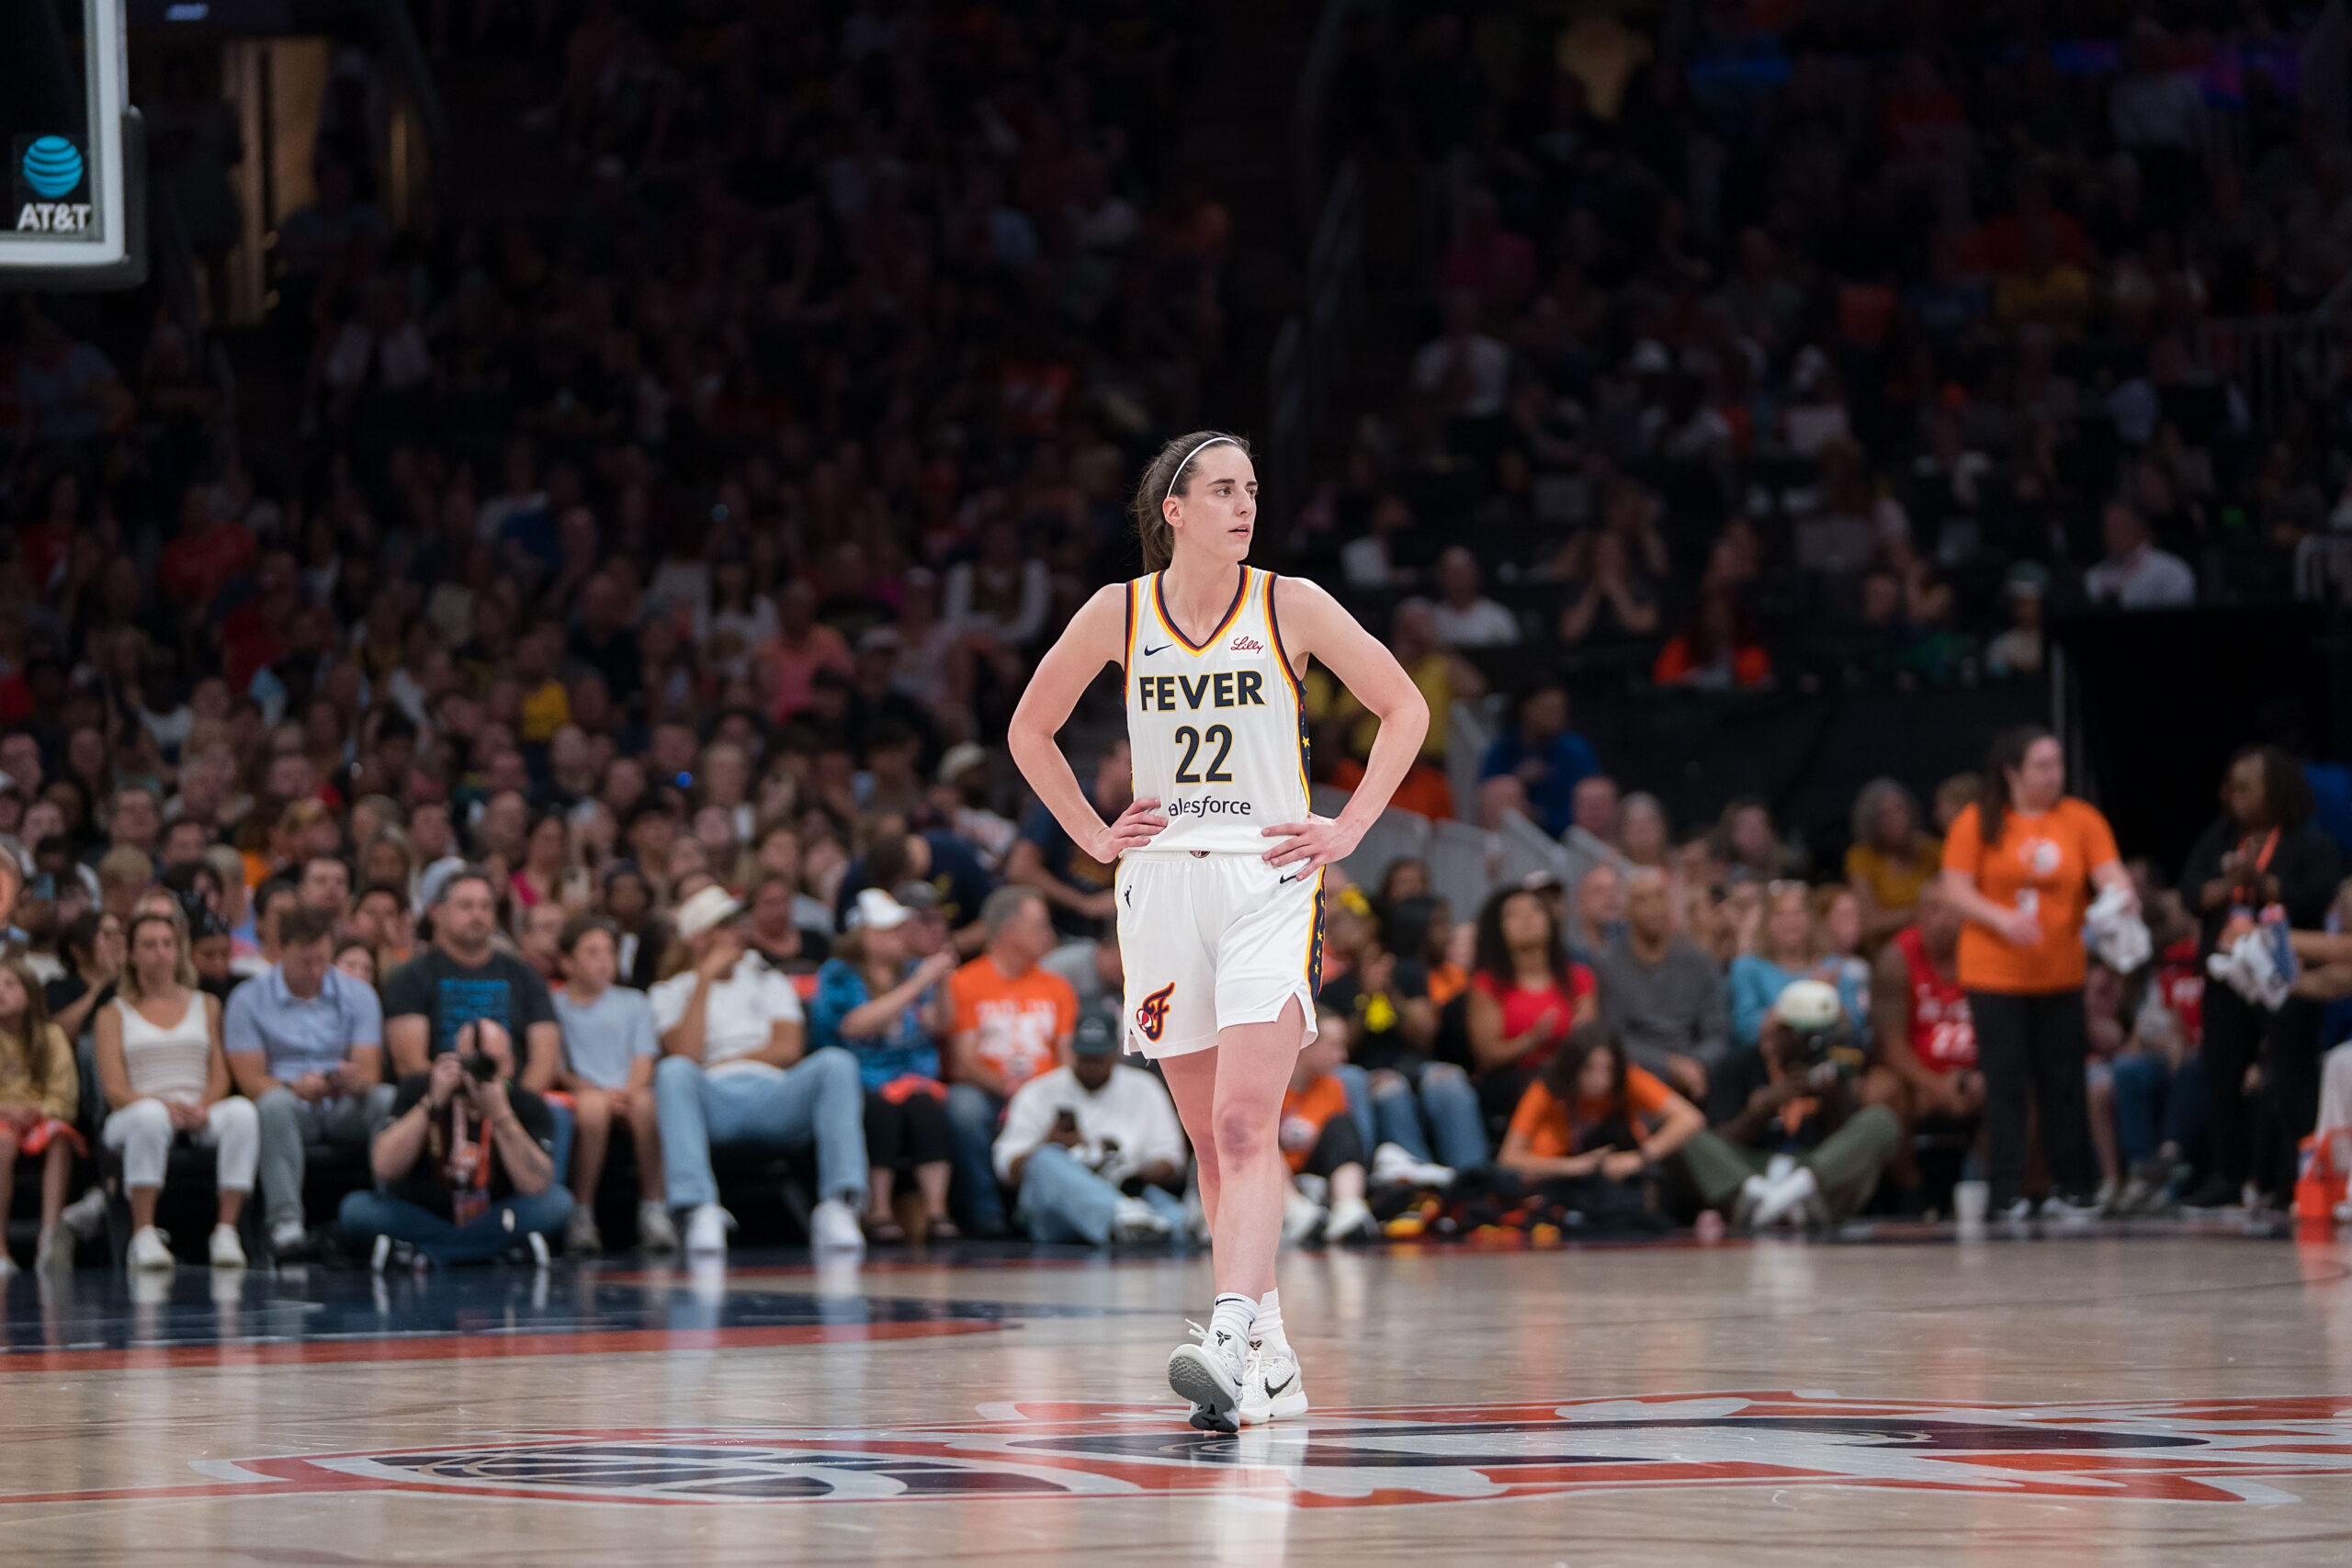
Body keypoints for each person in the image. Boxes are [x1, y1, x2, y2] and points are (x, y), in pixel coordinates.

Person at [1006, 430, 1428, 1433]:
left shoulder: (1290, 603)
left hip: (1266, 876)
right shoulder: (1120, 612)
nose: (1246, 506)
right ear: (1176, 510)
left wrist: (1349, 827)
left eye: (1252, 489)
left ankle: (1229, 1330)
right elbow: (1029, 728)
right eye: (1225, 490)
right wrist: (1093, 837)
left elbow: (1403, 708)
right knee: (1206, 1136)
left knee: (1244, 1124)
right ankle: (1272, 1359)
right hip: (1160, 884)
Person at [1939, 726, 2134, 1221]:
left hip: (2060, 972)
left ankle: (2074, 1187)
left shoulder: (2080, 819)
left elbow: (2110, 873)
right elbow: (1955, 889)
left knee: (2063, 1082)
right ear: (2012, 772)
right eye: (2042, 766)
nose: (2054, 775)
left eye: (2058, 764)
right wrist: (2000, 917)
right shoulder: (1978, 820)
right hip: (1994, 973)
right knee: (2005, 1083)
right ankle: (2006, 1190)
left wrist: (2121, 898)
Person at [650, 885, 868, 1257]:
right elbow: (686, 1054)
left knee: (836, 1063)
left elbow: (788, 1048)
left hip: (774, 1094)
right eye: (725, 926)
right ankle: (698, 1209)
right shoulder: (668, 992)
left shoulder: (768, 978)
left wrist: (725, 1060)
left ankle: (839, 1204)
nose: (739, 932)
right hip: (711, 1100)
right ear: (699, 938)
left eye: (739, 923)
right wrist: (704, 979)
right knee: (672, 1073)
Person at [2176, 746, 2341, 1208]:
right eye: (2233, 788)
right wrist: (2232, 884)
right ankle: (2228, 1176)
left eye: (2248, 787)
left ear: (2277, 789)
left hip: (2285, 971)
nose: (2237, 796)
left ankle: (2296, 1178)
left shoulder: (2308, 842)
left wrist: (2262, 883)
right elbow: (2191, 895)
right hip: (2226, 971)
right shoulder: (2219, 838)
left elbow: (2318, 896)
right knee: (2222, 1075)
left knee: (2291, 1073)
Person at [223, 907, 392, 1259]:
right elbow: (250, 1079)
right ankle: (285, 1225)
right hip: (289, 1103)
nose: (315, 970)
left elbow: (370, 1072)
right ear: (280, 951)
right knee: (272, 1103)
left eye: (322, 960)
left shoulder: (360, 995)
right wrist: (292, 1088)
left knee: (386, 1099)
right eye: (304, 962)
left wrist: (352, 1079)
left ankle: (391, 1210)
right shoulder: (247, 999)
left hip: (342, 1105)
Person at [96, 911, 257, 1270]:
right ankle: (143, 1233)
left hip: (197, 1106)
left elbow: (220, 1075)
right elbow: (115, 1089)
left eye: (167, 944)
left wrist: (202, 1106)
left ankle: (227, 1230)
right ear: (132, 954)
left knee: (243, 1113)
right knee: (150, 1117)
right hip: (136, 1110)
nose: (160, 952)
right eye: (149, 945)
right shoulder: (113, 1013)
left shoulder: (207, 1004)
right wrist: (162, 1105)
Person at [339, 1018, 570, 1268]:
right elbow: (384, 1168)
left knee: (558, 1203)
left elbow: (535, 1184)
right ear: (453, 1060)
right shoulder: (420, 1089)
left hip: (497, 1214)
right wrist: (431, 1103)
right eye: (471, 1062)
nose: (479, 1074)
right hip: (425, 1213)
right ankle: (490, 1252)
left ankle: (429, 1253)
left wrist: (502, 1116)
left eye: (490, 1064)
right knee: (356, 1208)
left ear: (511, 1065)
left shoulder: (526, 1103)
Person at [381, 868, 568, 1172]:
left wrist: (510, 1104)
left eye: (485, 906)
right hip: (438, 1103)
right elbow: (410, 1064)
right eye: (466, 906)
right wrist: (460, 1100)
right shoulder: (412, 977)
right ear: (437, 912)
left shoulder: (525, 976)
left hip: (511, 1103)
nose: (477, 915)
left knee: (555, 1118)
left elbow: (544, 1060)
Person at [808, 889, 962, 1242]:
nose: (899, 935)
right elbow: (853, 1025)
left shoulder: (911, 969)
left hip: (912, 1076)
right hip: (861, 1077)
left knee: (925, 1106)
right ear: (863, 935)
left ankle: (936, 1211)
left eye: (899, 928)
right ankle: (877, 1210)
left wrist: (941, 983)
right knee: (880, 1110)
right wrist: (919, 983)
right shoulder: (838, 974)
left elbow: (939, 1022)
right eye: (889, 930)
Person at [1688, 979, 1904, 1227]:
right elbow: (1717, 1144)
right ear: (1779, 1031)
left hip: (1814, 1175)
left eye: (1824, 1035)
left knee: (1882, 1120)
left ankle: (1780, 1202)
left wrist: (1834, 1097)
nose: (1815, 1046)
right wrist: (1759, 1111)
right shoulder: (1738, 1065)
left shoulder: (1836, 1070)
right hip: (1753, 1172)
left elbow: (1843, 1147)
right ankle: (1767, 1202)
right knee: (1687, 1131)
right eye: (1806, 1036)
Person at [942, 886, 1079, 1237]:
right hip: (990, 1090)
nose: (1048, 934)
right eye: (1039, 926)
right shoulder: (965, 982)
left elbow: (1068, 1057)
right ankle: (986, 1212)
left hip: (1046, 1092)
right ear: (1008, 931)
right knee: (963, 1107)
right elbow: (963, 1061)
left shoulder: (1057, 986)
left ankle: (1045, 1212)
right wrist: (1009, 1088)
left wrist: (1043, 1094)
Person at [993, 1009, 1190, 1246]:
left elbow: (1172, 1160)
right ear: (1072, 1050)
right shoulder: (1038, 1091)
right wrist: (1053, 1145)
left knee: (1171, 1212)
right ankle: (1124, 1216)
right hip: (1056, 1213)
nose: (1091, 1065)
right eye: (1085, 1057)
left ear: (1115, 1051)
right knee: (1045, 1158)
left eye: (1098, 1057)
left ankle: (1148, 1222)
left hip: (1124, 1188)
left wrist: (1131, 1175)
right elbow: (1006, 1167)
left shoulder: (1145, 1088)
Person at [1498, 1021, 1705, 1222]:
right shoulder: (1546, 1090)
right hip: (1556, 1187)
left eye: (1608, 1069)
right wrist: (1573, 1166)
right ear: (1572, 1066)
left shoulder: (1626, 1080)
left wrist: (1638, 1158)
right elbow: (1508, 1158)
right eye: (1589, 1069)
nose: (1600, 1080)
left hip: (1615, 1189)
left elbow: (1690, 1118)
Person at [550, 915, 673, 1255]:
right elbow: (559, 1069)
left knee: (647, 1104)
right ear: (567, 962)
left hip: (629, 1090)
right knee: (592, 1108)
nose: (603, 960)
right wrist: (592, 1091)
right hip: (584, 1092)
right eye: (592, 952)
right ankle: (582, 1212)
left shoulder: (634, 1002)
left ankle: (653, 1208)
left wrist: (626, 1093)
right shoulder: (554, 1005)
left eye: (609, 952)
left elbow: (643, 1060)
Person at [1866, 880, 1984, 1198]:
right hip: (1914, 1072)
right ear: (1918, 913)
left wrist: (1976, 1079)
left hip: (1973, 1070)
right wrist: (1934, 1084)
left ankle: (1996, 1185)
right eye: (1933, 909)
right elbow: (1890, 1045)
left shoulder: (1984, 955)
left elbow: (2003, 1033)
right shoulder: (1896, 958)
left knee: (2017, 1086)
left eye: (1951, 910)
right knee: (1880, 1092)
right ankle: (1911, 1191)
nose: (1943, 919)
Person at [1465, 885, 1601, 1132]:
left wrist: (1579, 1036)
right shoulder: (1487, 984)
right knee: (1545, 1084)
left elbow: (1589, 1034)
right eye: (1513, 914)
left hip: (1572, 1073)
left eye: (1535, 910)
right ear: (1498, 929)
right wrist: (1532, 1039)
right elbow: (1487, 1055)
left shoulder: (1579, 976)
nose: (1527, 918)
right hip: (1512, 1080)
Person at [1590, 869, 1730, 1093]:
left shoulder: (1699, 962)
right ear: (1626, 909)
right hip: (1636, 1075)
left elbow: (1716, 1033)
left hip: (1697, 1072)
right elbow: (1615, 1037)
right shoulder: (1607, 964)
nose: (1653, 907)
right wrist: (1669, 1066)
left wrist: (1696, 1064)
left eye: (1659, 897)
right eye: (1642, 899)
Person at [0, 954, 81, 1275]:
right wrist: (7, 1110)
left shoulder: (51, 1037)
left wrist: (39, 1111)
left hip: (38, 1118)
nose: (1, 992)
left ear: (30, 993)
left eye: (10, 984)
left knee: (60, 1136)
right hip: (2, 1120)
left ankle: (49, 1239)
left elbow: (65, 1095)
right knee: (3, 1142)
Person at [1729, 882, 1863, 1050]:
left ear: (1812, 919)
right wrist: (1811, 994)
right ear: (1766, 921)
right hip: (1764, 1059)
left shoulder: (1834, 966)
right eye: (1780, 914)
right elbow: (1746, 1030)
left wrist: (1832, 1000)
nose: (1790, 922)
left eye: (1798, 913)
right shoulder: (1747, 968)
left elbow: (1856, 1030)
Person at [1478, 681, 1600, 838]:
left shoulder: (1576, 751)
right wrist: (1517, 779)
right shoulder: (1502, 750)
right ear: (1527, 709)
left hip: (1566, 841)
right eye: (1549, 709)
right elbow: (1485, 803)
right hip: (1510, 839)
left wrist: (1537, 815)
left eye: (1561, 709)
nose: (1558, 716)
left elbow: (1591, 812)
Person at [1845, 778, 1942, 946]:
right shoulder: (1861, 857)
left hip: (1934, 941)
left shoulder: (1932, 850)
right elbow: (1870, 923)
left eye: (1898, 810)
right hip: (1887, 946)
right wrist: (1919, 912)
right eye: (1884, 815)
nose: (1894, 820)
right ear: (1871, 822)